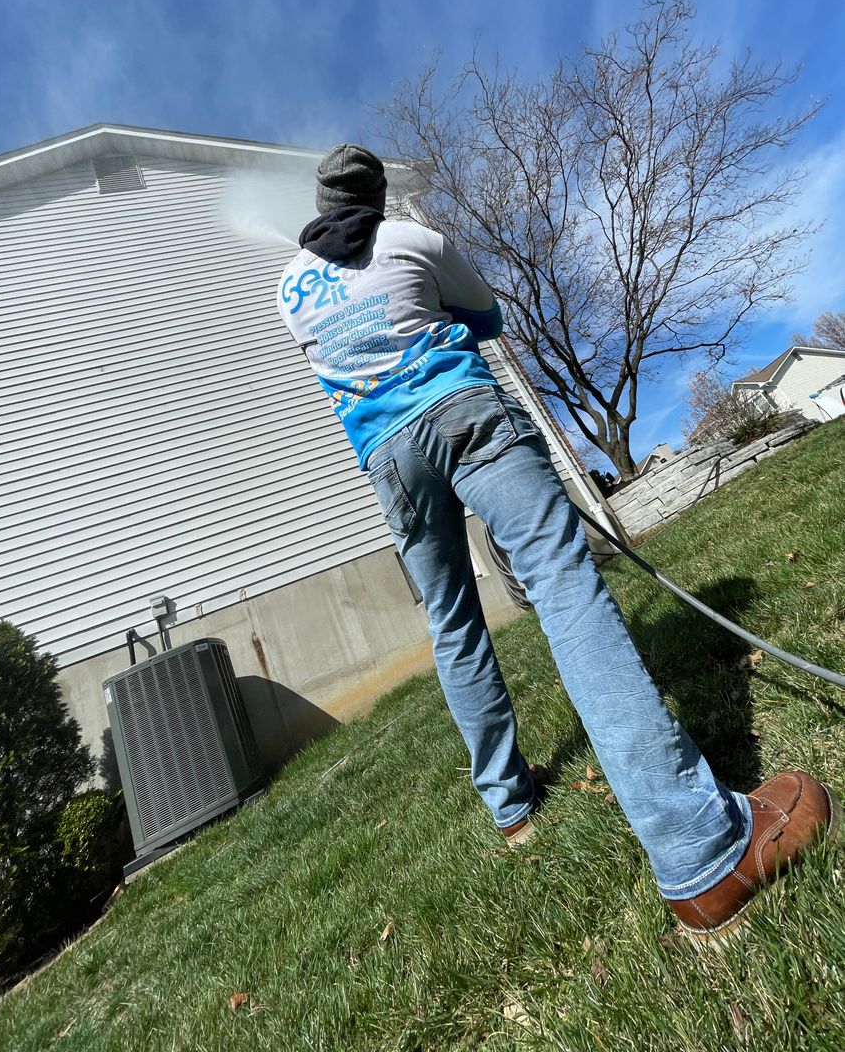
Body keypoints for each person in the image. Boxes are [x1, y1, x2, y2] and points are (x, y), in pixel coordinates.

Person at [277, 143, 840, 943]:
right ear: (375, 193)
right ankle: (700, 848)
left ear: (322, 199)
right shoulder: (411, 240)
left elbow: (333, 366)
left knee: (452, 621)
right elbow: (488, 319)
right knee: (562, 582)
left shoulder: (288, 287)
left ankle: (511, 807)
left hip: (387, 458)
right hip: (462, 416)